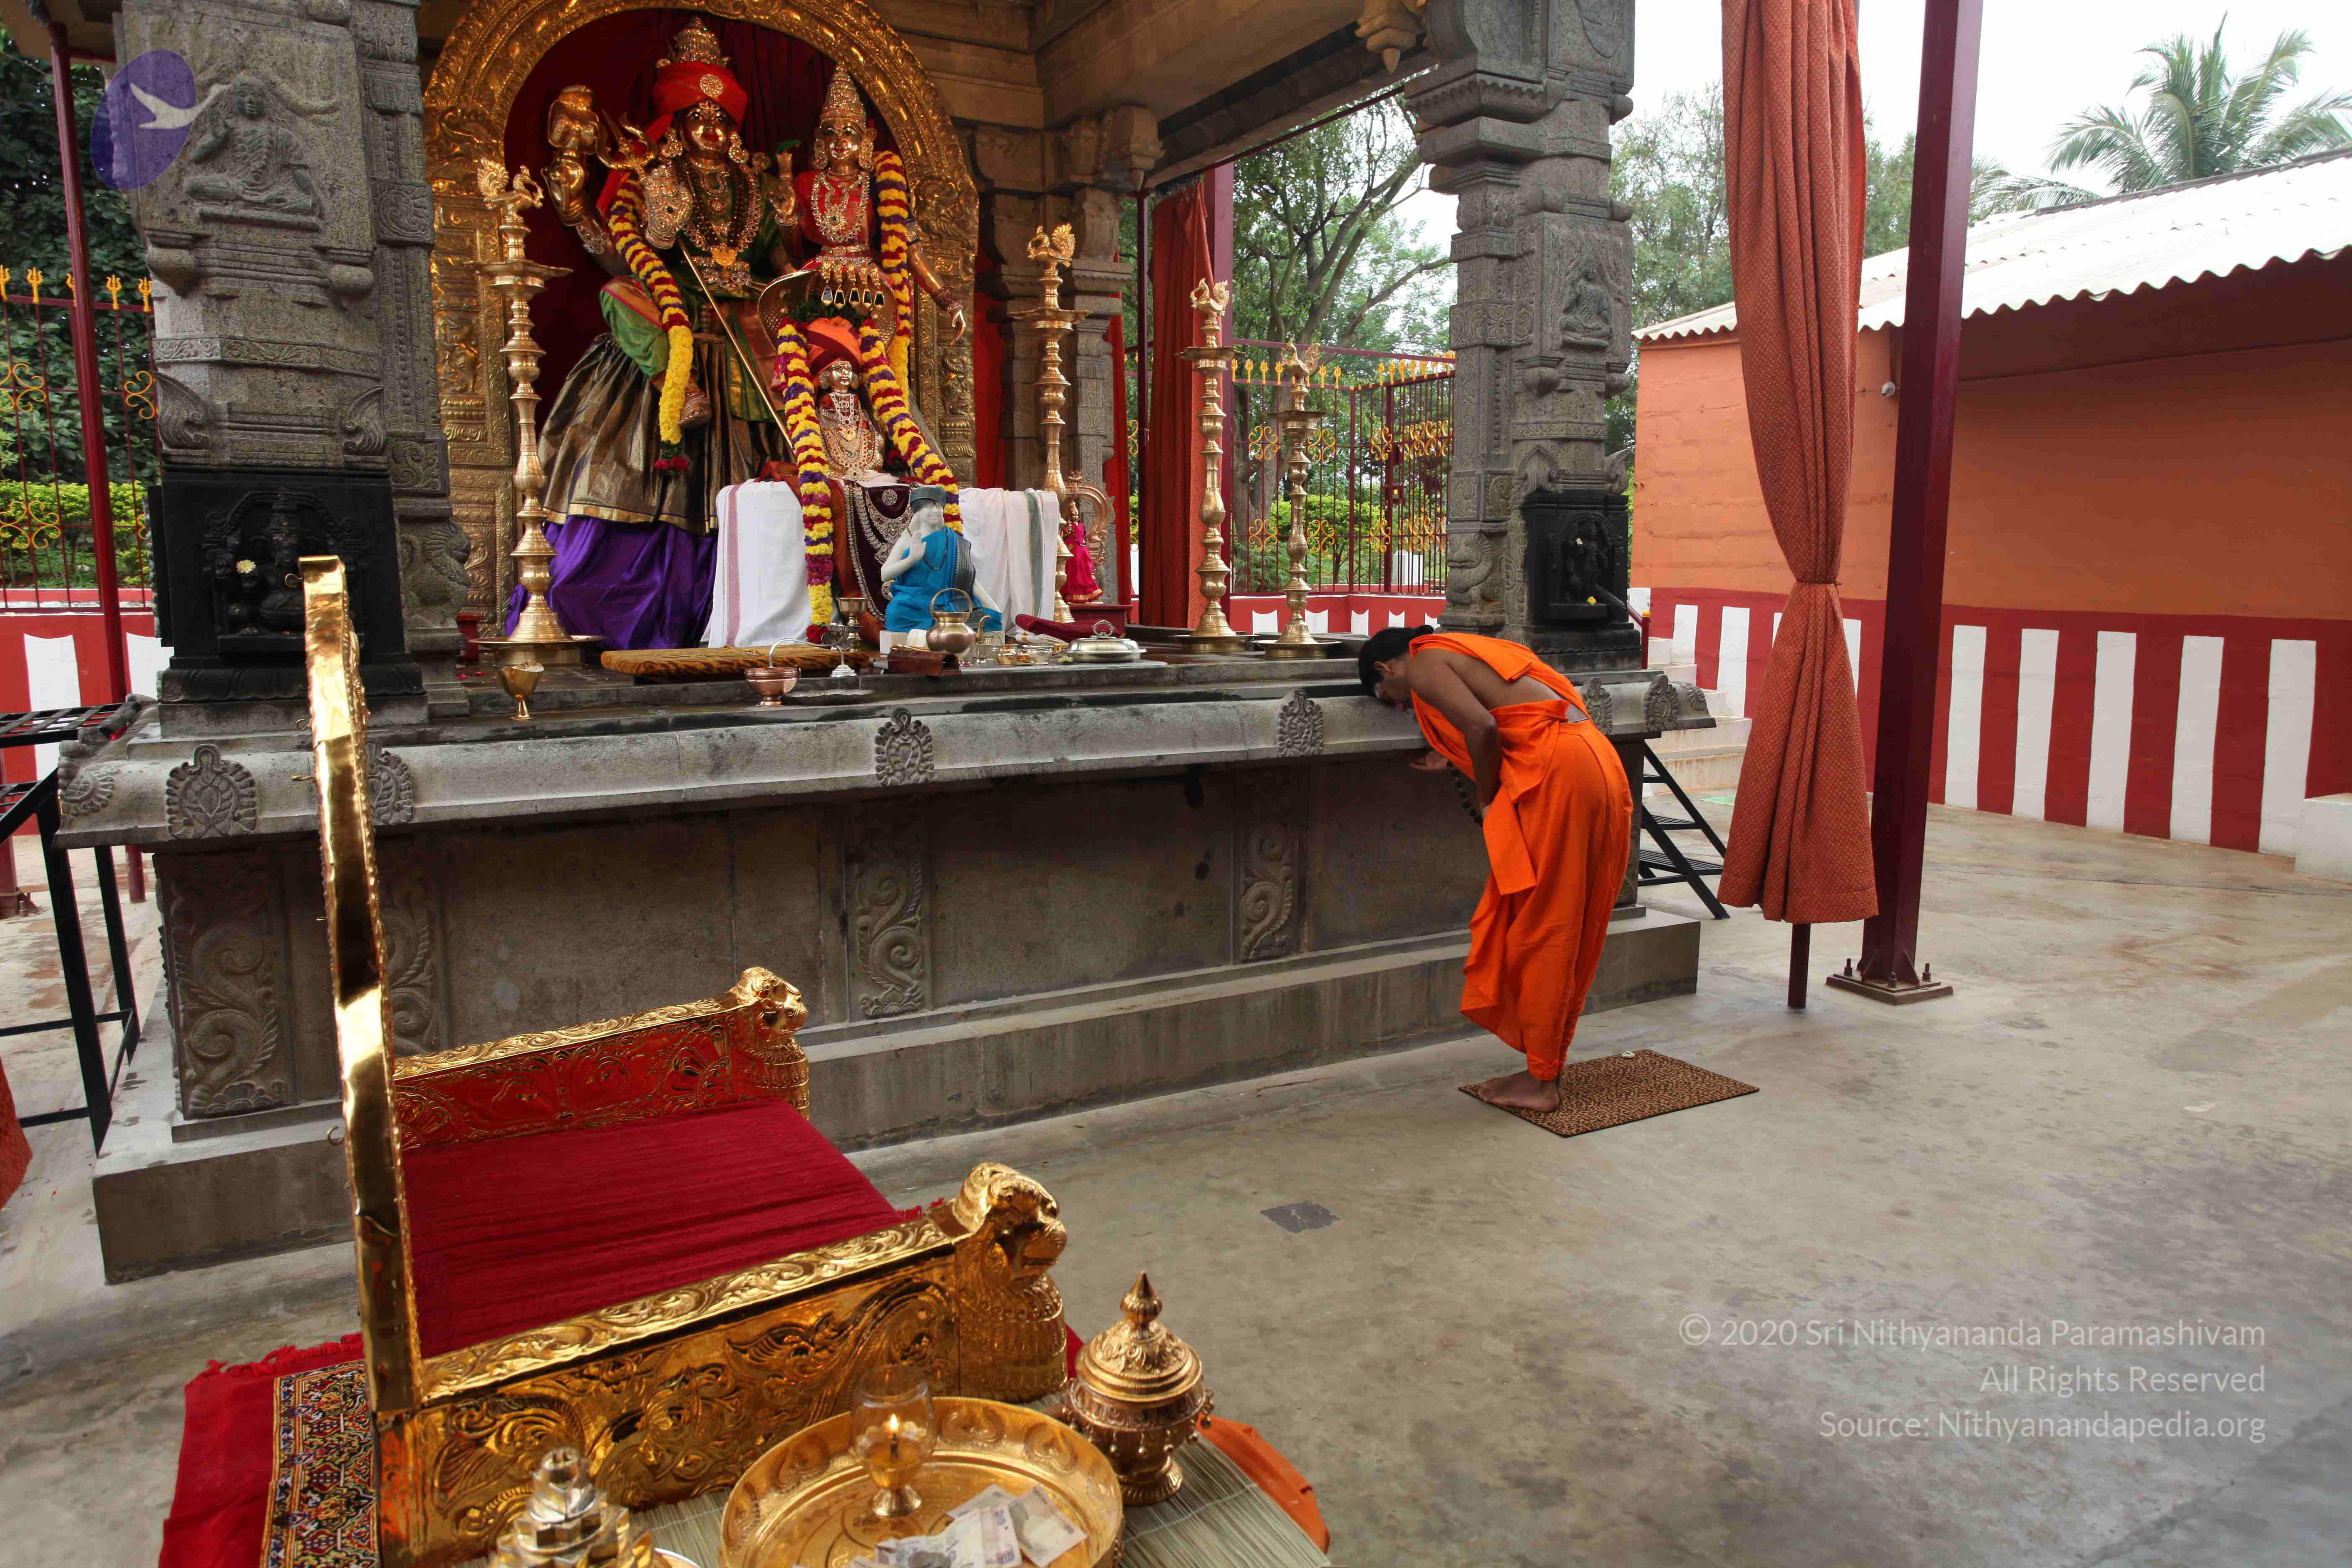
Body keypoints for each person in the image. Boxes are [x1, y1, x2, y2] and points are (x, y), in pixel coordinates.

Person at [1360, 625, 1634, 1112]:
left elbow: (1483, 728)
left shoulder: (1422, 664)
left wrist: (1488, 800)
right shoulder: (1469, 646)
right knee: (1569, 920)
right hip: (1594, 759)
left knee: (1545, 925)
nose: (1402, 706)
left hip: (1561, 774)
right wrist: (1455, 756)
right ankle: (1546, 1065)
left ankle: (1542, 1082)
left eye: (1389, 697)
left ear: (1387, 669)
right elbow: (1512, 716)